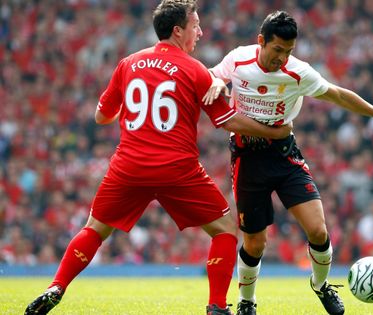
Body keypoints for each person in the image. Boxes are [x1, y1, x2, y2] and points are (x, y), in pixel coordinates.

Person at [24, 1, 292, 315]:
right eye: (196, 26)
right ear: (178, 30)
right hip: (177, 169)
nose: (200, 32)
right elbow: (228, 121)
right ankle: (217, 307)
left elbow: (101, 115)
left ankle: (56, 286)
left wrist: (126, 114)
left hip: (129, 167)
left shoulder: (128, 63)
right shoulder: (195, 70)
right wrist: (274, 132)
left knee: (94, 229)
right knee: (225, 231)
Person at [203, 11, 373, 315]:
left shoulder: (299, 72)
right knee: (254, 243)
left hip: (284, 154)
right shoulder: (238, 59)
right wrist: (214, 80)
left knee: (318, 230)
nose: (281, 58)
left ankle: (321, 285)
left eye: (288, 52)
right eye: (277, 50)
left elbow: (339, 95)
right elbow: (210, 74)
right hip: (247, 158)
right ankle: (247, 302)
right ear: (261, 41)